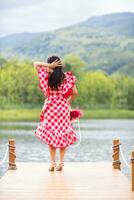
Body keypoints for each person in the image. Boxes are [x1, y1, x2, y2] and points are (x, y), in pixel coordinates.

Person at [33, 56, 78, 171]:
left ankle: (52, 164)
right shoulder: (67, 77)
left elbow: (35, 63)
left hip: (50, 107)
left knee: (51, 135)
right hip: (63, 107)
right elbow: (75, 93)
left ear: (51, 64)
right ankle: (61, 163)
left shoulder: (46, 75)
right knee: (63, 134)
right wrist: (67, 101)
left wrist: (49, 66)